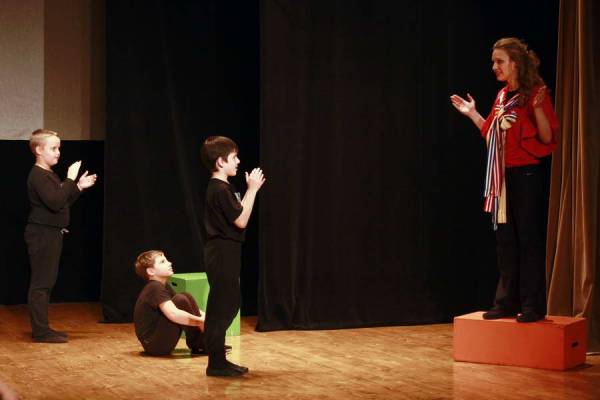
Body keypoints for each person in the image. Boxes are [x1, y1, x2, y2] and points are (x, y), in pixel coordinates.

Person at [450, 38, 558, 323]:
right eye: (493, 61)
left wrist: (537, 109)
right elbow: (491, 136)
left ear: (515, 64)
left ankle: (532, 305)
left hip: (525, 175)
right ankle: (506, 302)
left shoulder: (535, 93)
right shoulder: (501, 96)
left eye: (499, 61)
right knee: (505, 240)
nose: (494, 66)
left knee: (528, 240)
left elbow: (547, 137)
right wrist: (473, 114)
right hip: (502, 176)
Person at [200, 136, 265, 377]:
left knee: (228, 303)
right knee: (223, 305)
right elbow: (241, 220)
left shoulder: (223, 188)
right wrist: (253, 190)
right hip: (221, 252)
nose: (238, 162)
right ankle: (215, 361)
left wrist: (249, 191)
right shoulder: (219, 189)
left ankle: (217, 358)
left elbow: (238, 214)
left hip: (226, 251)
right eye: (234, 157)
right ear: (220, 162)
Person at [25, 129, 97, 343]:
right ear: (39, 150)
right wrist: (70, 179)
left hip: (50, 234)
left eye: (59, 148)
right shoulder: (38, 175)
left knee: (46, 282)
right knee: (41, 284)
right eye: (53, 148)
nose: (58, 152)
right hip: (42, 235)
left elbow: (60, 203)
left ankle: (43, 329)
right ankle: (41, 332)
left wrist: (78, 187)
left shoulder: (48, 174)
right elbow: (56, 202)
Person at [133, 250, 209, 356]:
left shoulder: (164, 286)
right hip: (155, 346)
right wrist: (201, 322)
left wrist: (207, 319)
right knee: (181, 299)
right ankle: (200, 345)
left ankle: (201, 344)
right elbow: (174, 314)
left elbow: (187, 307)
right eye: (163, 262)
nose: (169, 263)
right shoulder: (154, 287)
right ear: (151, 271)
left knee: (185, 296)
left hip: (157, 342)